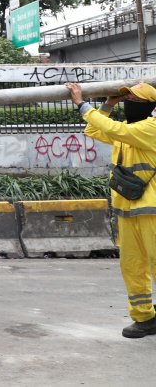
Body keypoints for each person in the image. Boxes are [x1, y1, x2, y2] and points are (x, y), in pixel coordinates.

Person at [66, 81, 156, 339]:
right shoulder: (129, 131)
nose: (129, 103)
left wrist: (82, 104)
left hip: (152, 212)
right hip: (128, 212)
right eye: (127, 99)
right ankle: (145, 318)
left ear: (150, 106)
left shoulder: (150, 128)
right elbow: (94, 130)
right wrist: (109, 104)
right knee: (132, 267)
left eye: (135, 100)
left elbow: (109, 127)